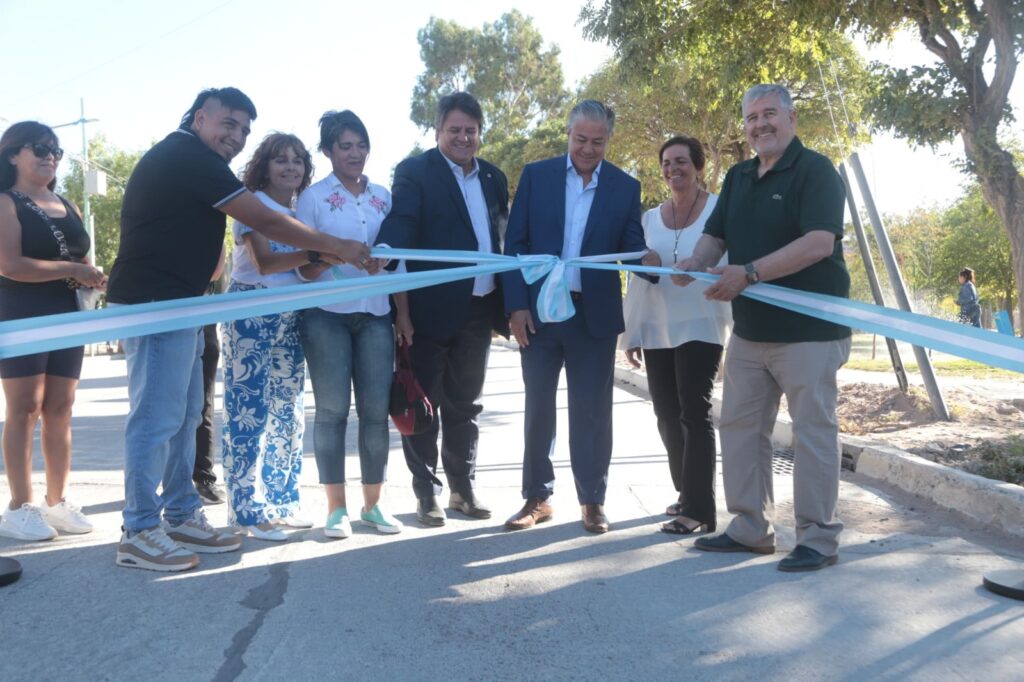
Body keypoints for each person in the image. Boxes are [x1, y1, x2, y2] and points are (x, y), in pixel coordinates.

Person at [106, 87, 371, 572]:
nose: (236, 136)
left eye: (244, 130)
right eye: (228, 124)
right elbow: (264, 220)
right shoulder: (188, 155)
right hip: (153, 303)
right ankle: (139, 528)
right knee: (156, 417)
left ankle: (181, 513)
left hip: (183, 302)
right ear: (200, 117)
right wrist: (335, 245)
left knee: (187, 415)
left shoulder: (199, 162)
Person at [673, 84, 851, 572]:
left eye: (769, 114)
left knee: (812, 432)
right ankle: (750, 527)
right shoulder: (739, 176)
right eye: (752, 118)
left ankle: (817, 538)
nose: (760, 125)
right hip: (750, 331)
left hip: (811, 332)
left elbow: (817, 244)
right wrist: (698, 261)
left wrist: (748, 274)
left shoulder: (817, 171)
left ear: (791, 118)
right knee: (739, 426)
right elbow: (717, 234)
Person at [502, 100, 659, 534]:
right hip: (539, 316)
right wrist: (516, 306)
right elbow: (514, 244)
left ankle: (593, 500)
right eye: (580, 139)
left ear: (609, 139)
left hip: (593, 319)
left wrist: (652, 262)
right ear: (568, 135)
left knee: (592, 412)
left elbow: (630, 245)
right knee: (538, 409)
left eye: (598, 141)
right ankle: (537, 497)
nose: (588, 149)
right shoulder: (537, 177)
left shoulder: (625, 187)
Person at [376, 92, 509, 527]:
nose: (463, 137)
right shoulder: (415, 171)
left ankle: (462, 489)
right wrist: (386, 250)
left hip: (480, 308)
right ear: (437, 132)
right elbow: (403, 222)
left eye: (470, 130)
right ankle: (426, 493)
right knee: (423, 404)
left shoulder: (493, 177)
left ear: (479, 133)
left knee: (466, 405)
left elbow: (500, 238)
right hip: (429, 311)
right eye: (454, 130)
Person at [296, 111, 402, 538]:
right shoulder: (314, 199)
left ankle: (373, 506)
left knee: (376, 414)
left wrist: (387, 261)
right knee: (332, 412)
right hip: (326, 317)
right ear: (327, 152)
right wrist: (331, 255)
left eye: (361, 144)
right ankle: (336, 509)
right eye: (344, 146)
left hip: (377, 313)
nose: (355, 153)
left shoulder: (383, 196)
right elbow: (301, 264)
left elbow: (401, 260)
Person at [619, 135, 732, 535]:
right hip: (656, 328)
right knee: (666, 414)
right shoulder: (649, 219)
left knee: (694, 411)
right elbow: (639, 280)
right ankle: (687, 493)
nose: (673, 169)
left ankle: (701, 510)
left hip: (702, 324)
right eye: (667, 163)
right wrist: (631, 332)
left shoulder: (719, 210)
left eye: (681, 161)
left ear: (699, 166)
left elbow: (729, 261)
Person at [0, 121, 106, 541]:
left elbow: (79, 260)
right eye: (38, 148)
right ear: (12, 155)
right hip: (21, 311)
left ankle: (56, 502)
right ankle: (19, 507)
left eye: (55, 151)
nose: (49, 156)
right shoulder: (6, 202)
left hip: (68, 313)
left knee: (61, 408)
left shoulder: (68, 204)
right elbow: (9, 265)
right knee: (25, 408)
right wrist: (73, 269)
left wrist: (92, 277)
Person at [222, 132, 319, 542]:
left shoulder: (302, 212)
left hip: (290, 314)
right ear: (264, 166)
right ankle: (245, 509)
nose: (290, 167)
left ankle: (281, 501)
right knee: (249, 410)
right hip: (250, 310)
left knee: (288, 411)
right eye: (281, 160)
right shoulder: (251, 205)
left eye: (297, 160)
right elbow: (264, 263)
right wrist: (319, 251)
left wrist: (330, 256)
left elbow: (306, 269)